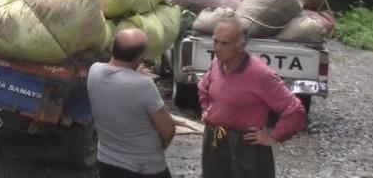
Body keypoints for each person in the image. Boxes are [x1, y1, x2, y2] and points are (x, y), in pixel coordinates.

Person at [198, 18, 306, 178]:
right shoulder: (217, 63)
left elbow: (295, 110)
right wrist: (207, 108)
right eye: (215, 41)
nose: (217, 48)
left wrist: (273, 136)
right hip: (215, 140)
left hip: (245, 147)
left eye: (224, 43)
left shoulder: (261, 74)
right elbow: (203, 87)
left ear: (241, 46)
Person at [87, 28, 176, 178]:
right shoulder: (143, 85)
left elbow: (117, 73)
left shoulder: (94, 71)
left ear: (114, 47)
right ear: (140, 57)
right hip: (143, 168)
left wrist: (133, 72)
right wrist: (160, 147)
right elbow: (168, 130)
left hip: (107, 163)